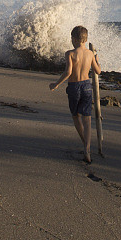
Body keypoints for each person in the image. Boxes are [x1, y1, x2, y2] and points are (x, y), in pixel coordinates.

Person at [49, 25, 101, 163]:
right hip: (87, 86)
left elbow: (68, 72)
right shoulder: (90, 54)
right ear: (85, 39)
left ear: (74, 38)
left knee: (76, 116)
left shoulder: (70, 53)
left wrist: (56, 84)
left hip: (74, 87)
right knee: (87, 119)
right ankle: (87, 149)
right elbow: (98, 71)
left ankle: (85, 143)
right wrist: (96, 59)